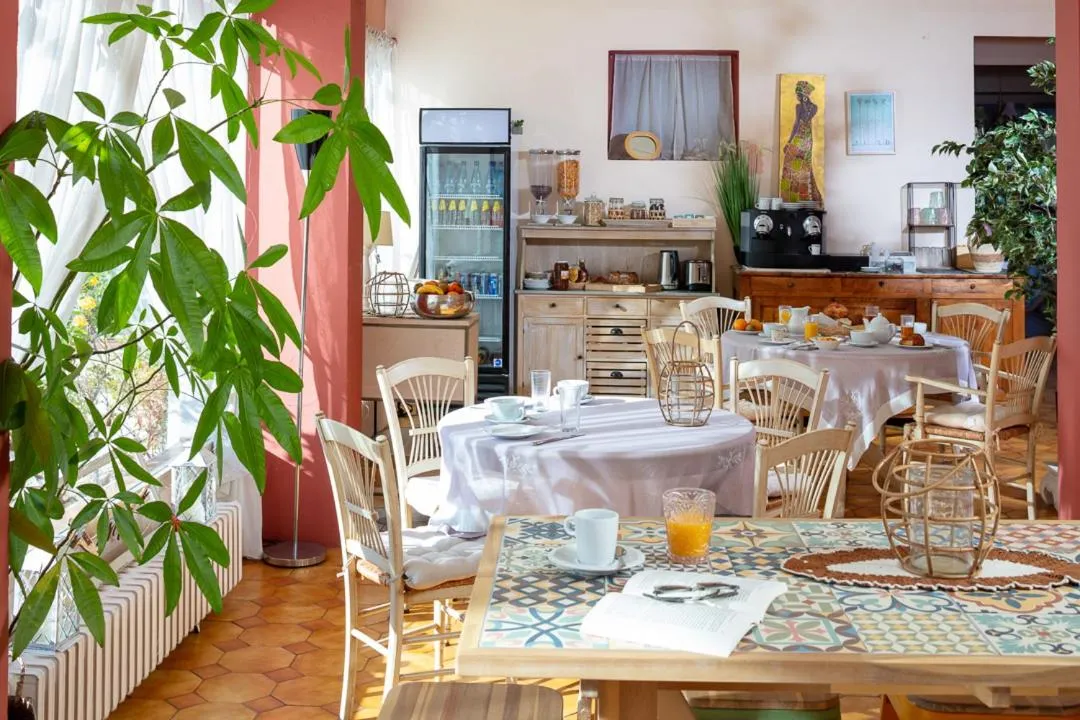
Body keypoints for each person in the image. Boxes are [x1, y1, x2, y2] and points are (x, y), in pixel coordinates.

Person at [780, 80, 822, 203]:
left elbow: (805, 118)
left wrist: (804, 103)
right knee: (790, 162)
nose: (797, 97)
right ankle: (791, 196)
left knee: (804, 166)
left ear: (803, 95)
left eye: (798, 95)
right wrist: (789, 142)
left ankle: (804, 196)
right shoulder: (799, 107)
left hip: (805, 138)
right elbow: (796, 124)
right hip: (799, 137)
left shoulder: (813, 107)